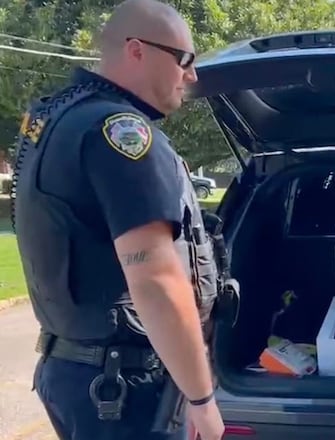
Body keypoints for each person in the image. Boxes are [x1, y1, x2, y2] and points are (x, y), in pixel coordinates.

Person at [11, 0, 226, 439]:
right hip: (123, 391)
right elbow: (156, 282)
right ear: (136, 50)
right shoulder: (123, 134)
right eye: (184, 59)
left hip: (73, 373)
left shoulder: (55, 119)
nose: (192, 75)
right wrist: (202, 399)